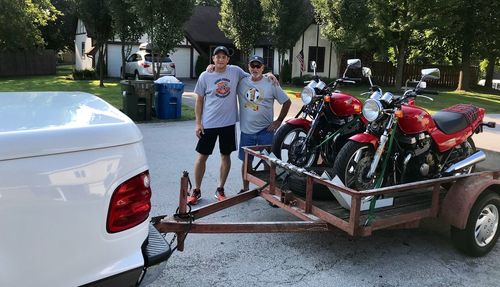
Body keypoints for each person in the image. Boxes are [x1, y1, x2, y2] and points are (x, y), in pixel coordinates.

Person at [188, 46, 250, 205]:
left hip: (228, 124)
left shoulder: (235, 71)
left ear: (228, 60)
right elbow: (199, 100)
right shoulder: (205, 76)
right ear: (213, 59)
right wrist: (198, 123)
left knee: (225, 155)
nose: (221, 59)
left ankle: (220, 188)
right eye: (218, 57)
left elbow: (254, 76)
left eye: (224, 57)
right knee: (202, 156)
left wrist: (269, 75)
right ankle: (196, 190)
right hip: (208, 124)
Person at [237, 55, 291, 193]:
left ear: (262, 67)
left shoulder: (271, 83)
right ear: (248, 67)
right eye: (252, 65)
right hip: (246, 131)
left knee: (269, 162)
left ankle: (269, 191)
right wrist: (211, 67)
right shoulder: (242, 82)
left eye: (258, 66)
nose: (255, 68)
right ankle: (245, 188)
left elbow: (286, 102)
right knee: (246, 162)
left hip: (265, 131)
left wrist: (278, 121)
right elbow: (225, 72)